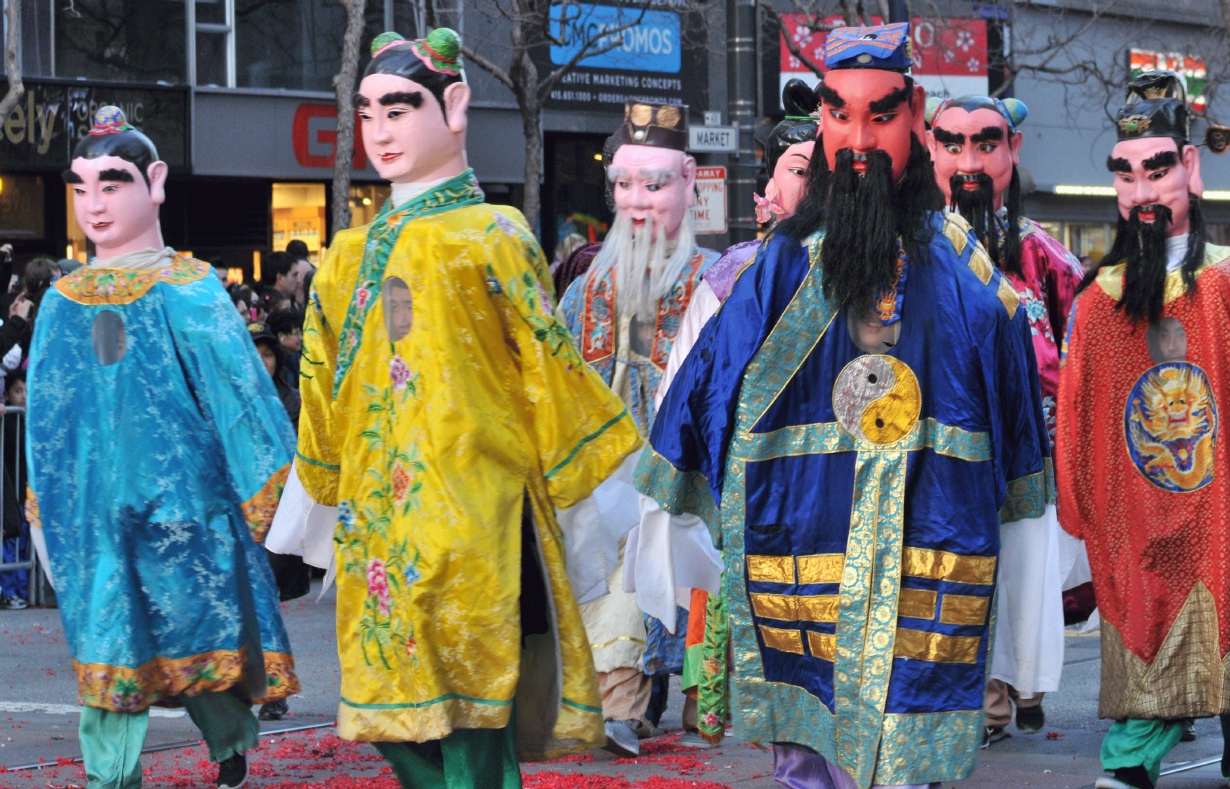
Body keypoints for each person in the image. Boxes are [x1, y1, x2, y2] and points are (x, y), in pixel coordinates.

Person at [635, 24, 1052, 788]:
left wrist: (1033, 604)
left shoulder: (969, 279)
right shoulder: (773, 271)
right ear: (821, 120)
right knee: (809, 765)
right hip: (800, 567)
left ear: (915, 114)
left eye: (881, 114)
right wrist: (678, 547)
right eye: (840, 114)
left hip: (928, 568)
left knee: (905, 765)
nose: (858, 139)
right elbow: (704, 399)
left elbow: (1022, 453)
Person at [267, 30, 641, 789]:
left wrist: (604, 489)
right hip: (379, 522)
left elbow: (549, 365)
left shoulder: (494, 237)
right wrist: (312, 498)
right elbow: (322, 382)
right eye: (366, 111)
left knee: (475, 714)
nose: (380, 128)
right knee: (382, 707)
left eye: (399, 107)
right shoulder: (343, 258)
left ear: (455, 107)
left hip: (478, 514)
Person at [27, 106, 299, 789]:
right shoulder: (60, 302)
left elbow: (240, 397)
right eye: (81, 185)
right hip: (97, 516)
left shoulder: (190, 287)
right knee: (109, 646)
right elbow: (48, 419)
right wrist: (44, 509)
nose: (93, 203)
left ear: (154, 182)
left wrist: (278, 494)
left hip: (184, 511)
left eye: (111, 183)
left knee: (189, 640)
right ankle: (110, 776)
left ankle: (230, 737)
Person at [630, 80, 821, 748]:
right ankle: (709, 701)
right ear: (767, 186)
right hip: (755, 480)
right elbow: (690, 382)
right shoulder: (735, 274)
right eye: (800, 170)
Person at [1055, 72, 1230, 789]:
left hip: (1221, 508)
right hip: (1137, 516)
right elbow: (1075, 414)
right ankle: (1131, 758)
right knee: (1146, 627)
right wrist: (1079, 507)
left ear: (1189, 167)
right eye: (1125, 175)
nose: (1140, 191)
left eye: (1157, 169)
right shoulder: (1098, 301)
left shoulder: (1225, 282)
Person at [556, 99, 721, 757]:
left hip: (689, 469)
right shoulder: (583, 288)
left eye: (653, 185)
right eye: (624, 185)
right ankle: (620, 701)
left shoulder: (717, 280)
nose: (637, 201)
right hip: (603, 474)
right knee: (610, 579)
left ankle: (689, 697)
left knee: (690, 580)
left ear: (685, 183)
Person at [926, 94, 1085, 744]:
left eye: (985, 144)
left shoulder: (1045, 258)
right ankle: (972, 701)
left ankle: (1010, 691)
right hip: (936, 453)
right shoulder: (907, 251)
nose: (969, 161)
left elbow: (1077, 352)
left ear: (1010, 152)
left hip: (1024, 450)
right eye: (953, 144)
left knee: (1016, 575)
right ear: (930, 150)